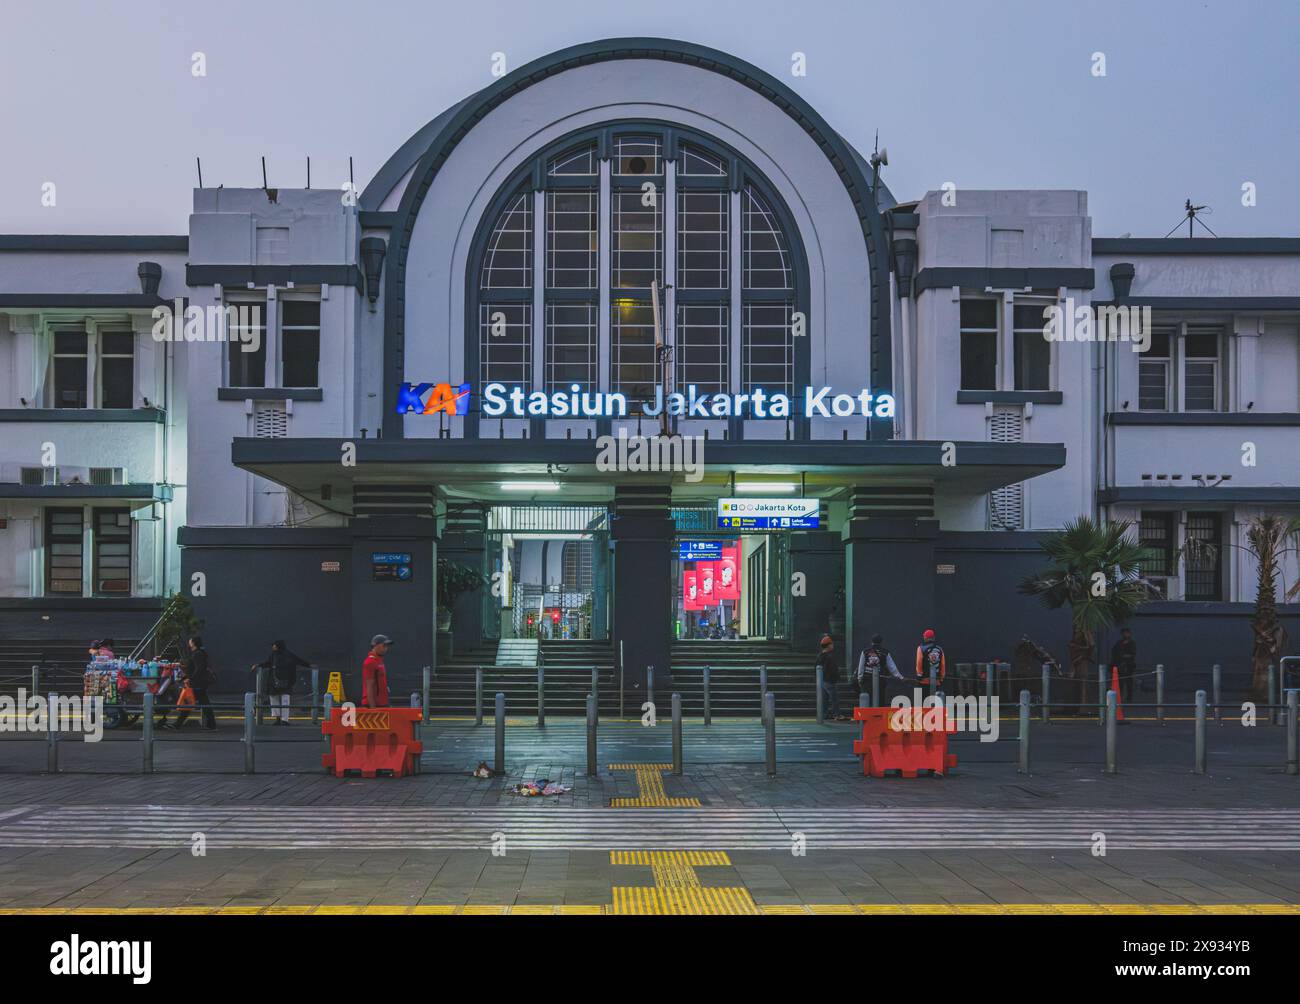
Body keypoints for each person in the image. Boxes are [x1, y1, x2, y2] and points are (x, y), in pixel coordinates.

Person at [253, 640, 314, 726]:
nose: (273, 647)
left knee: (274, 699)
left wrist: (258, 665)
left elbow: (268, 663)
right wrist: (309, 665)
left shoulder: (273, 655)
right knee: (285, 700)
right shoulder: (288, 655)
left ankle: (278, 718)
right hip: (287, 681)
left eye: (274, 645)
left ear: (277, 646)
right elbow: (299, 661)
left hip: (274, 681)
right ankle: (284, 720)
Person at [167, 636, 216, 730]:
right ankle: (211, 725)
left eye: (190, 640)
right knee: (202, 704)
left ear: (193, 643)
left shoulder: (197, 654)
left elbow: (199, 668)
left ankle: (177, 725)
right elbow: (194, 667)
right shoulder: (198, 653)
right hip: (199, 682)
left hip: (197, 683)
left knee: (189, 703)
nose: (189, 641)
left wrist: (190, 679)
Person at [856, 634, 903, 702]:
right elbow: (892, 667)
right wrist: (900, 677)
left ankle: (867, 712)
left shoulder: (865, 651)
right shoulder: (885, 652)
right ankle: (879, 712)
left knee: (866, 700)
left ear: (871, 642)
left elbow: (861, 666)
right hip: (881, 678)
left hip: (867, 679)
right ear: (881, 642)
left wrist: (860, 678)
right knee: (880, 699)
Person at [816, 634, 845, 721]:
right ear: (828, 645)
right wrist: (836, 677)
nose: (833, 645)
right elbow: (833, 669)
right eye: (832, 644)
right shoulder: (829, 657)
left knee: (825, 699)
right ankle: (837, 715)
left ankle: (824, 714)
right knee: (834, 698)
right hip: (829, 681)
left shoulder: (820, 656)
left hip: (822, 681)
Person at [362, 634, 393, 708]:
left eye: (387, 646)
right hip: (375, 706)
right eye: (384, 645)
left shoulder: (379, 661)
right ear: (376, 646)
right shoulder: (369, 662)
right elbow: (369, 685)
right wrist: (373, 709)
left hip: (382, 704)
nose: (386, 648)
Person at [915, 628, 946, 697]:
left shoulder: (921, 648)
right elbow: (943, 665)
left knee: (924, 702)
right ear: (933, 638)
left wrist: (919, 675)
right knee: (935, 702)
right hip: (936, 682)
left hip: (924, 681)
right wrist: (941, 678)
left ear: (925, 637)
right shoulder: (940, 649)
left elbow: (919, 662)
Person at [1110, 627, 1138, 703]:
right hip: (1119, 665)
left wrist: (1124, 656)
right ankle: (1119, 697)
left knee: (1129, 682)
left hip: (1128, 665)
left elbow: (1133, 654)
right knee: (1120, 683)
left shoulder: (1132, 643)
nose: (1125, 634)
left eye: (1126, 633)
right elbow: (1114, 651)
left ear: (1129, 634)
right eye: (1124, 633)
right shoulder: (1119, 643)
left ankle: (1129, 698)